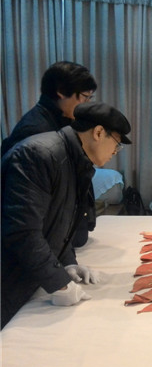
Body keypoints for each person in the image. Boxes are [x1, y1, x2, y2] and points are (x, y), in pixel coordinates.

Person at [1, 102, 131, 328]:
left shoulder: (74, 158)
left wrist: (67, 262)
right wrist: (59, 282)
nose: (114, 152)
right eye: (116, 145)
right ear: (99, 133)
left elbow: (61, 219)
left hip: (29, 272)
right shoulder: (38, 155)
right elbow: (23, 231)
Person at [2, 61, 99, 247]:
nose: (87, 104)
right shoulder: (34, 130)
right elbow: (28, 205)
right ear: (61, 92)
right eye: (85, 97)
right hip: (44, 236)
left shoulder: (61, 120)